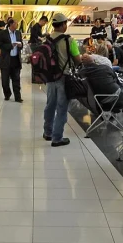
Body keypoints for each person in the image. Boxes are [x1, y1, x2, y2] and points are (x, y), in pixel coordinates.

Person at [42, 12, 81, 147]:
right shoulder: (69, 40)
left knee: (50, 105)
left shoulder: (46, 39)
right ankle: (57, 138)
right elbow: (77, 60)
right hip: (64, 77)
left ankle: (48, 132)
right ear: (63, 24)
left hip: (50, 77)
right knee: (62, 107)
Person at [0, 18, 24, 103]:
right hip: (5, 59)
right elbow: (0, 45)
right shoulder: (2, 33)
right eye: (16, 23)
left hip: (15, 59)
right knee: (5, 80)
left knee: (16, 79)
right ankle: (7, 94)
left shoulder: (18, 33)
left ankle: (18, 97)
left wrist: (20, 45)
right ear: (11, 24)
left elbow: (21, 43)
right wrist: (11, 46)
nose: (17, 25)